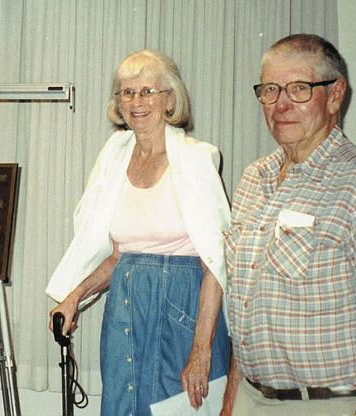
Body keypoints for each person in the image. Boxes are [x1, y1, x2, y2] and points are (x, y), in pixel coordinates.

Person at [46, 50, 231, 416]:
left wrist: (201, 350)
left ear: (170, 100)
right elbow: (118, 256)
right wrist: (73, 298)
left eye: (148, 91)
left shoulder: (196, 160)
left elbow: (215, 263)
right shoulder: (114, 158)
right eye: (127, 93)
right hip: (127, 311)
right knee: (124, 407)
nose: (136, 102)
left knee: (177, 410)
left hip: (184, 312)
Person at [220, 34, 356, 416]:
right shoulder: (253, 178)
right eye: (270, 89)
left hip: (329, 404)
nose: (281, 104)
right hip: (251, 399)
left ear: (335, 95)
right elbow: (246, 305)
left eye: (299, 88)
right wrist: (230, 404)